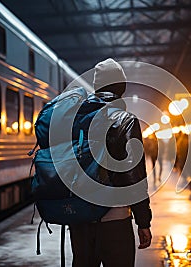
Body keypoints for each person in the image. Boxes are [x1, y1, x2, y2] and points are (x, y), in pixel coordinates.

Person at [68, 58, 152, 267]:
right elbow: (134, 175)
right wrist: (143, 221)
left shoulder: (75, 119)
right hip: (114, 219)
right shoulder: (125, 120)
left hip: (80, 219)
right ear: (121, 87)